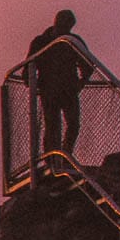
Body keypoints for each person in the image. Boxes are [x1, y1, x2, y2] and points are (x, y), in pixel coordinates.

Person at [27, 9, 94, 165]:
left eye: (69, 25)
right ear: (57, 21)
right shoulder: (41, 41)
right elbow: (28, 67)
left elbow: (88, 64)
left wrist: (81, 81)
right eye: (65, 23)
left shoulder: (73, 41)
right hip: (49, 90)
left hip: (69, 90)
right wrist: (33, 83)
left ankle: (65, 156)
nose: (66, 28)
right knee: (52, 126)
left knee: (73, 124)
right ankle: (51, 161)